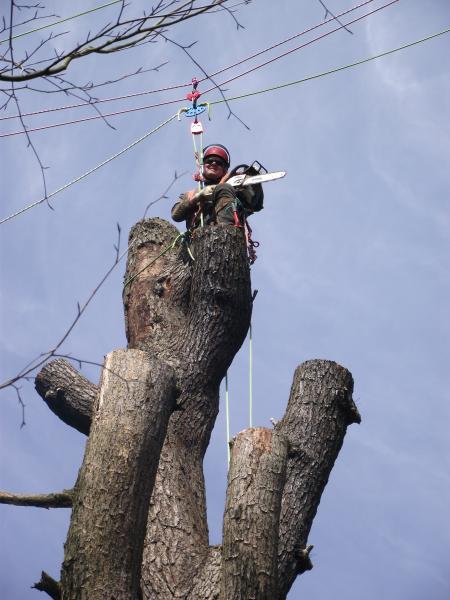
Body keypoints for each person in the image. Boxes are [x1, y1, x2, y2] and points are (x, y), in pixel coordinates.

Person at [171, 144, 264, 230]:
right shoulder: (190, 194)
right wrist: (198, 196)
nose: (214, 163)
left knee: (224, 188)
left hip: (228, 235)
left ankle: (226, 230)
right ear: (203, 166)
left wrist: (255, 185)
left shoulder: (233, 188)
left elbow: (256, 204)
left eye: (219, 163)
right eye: (209, 161)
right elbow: (176, 215)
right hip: (199, 237)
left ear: (224, 169)